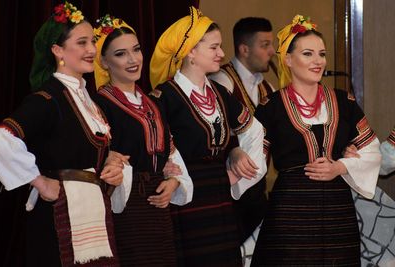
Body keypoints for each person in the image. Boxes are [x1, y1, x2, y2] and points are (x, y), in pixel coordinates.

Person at [0, 3, 126, 266]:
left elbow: (82, 148)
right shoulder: (47, 99)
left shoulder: (89, 100)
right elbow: (1, 138)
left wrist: (112, 163)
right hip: (58, 220)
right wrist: (40, 182)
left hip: (93, 216)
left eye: (93, 42)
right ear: (57, 50)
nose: (91, 50)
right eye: (82, 42)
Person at [250, 15, 381, 266]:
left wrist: (341, 166)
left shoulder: (345, 102)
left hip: (337, 211)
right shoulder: (271, 107)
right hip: (290, 210)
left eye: (321, 54)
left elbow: (372, 150)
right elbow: (252, 159)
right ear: (288, 60)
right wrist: (235, 157)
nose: (318, 61)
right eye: (308, 54)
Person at [149, 6, 267, 267]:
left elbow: (254, 128)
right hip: (188, 195)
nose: (222, 54)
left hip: (220, 190)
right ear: (191, 51)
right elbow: (158, 145)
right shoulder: (164, 96)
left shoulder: (219, 93)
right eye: (214, 47)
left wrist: (238, 157)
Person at [92, 14, 193, 266]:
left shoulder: (153, 102)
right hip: (123, 204)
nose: (133, 59)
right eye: (121, 54)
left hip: (157, 205)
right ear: (103, 62)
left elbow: (170, 152)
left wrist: (174, 182)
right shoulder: (99, 103)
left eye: (136, 50)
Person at [209, 16, 276, 243]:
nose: (272, 51)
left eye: (272, 44)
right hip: (229, 189)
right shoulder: (222, 80)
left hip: (257, 190)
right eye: (265, 45)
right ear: (244, 49)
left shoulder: (268, 87)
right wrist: (232, 150)